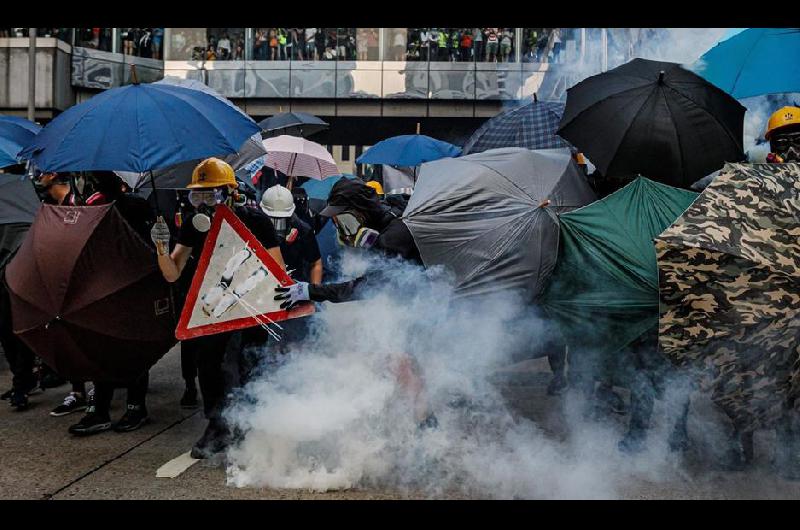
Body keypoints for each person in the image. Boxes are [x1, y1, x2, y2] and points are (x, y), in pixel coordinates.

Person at [150, 158, 286, 459]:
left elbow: (277, 268)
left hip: (251, 307)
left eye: (212, 195)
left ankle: (252, 423)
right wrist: (160, 247)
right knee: (208, 365)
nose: (204, 203)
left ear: (231, 193)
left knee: (247, 364)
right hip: (213, 308)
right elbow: (173, 272)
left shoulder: (256, 220)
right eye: (198, 195)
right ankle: (217, 424)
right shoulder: (193, 226)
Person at [67, 173, 156, 436]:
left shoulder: (132, 206)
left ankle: (134, 406)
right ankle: (102, 410)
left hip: (133, 285)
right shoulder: (94, 207)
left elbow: (149, 242)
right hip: (103, 287)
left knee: (133, 348)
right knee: (102, 347)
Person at [30, 170, 93, 416]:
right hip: (56, 282)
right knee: (65, 337)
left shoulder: (79, 204)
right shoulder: (48, 208)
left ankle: (97, 389)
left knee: (87, 338)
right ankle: (77, 390)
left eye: (45, 176)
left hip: (80, 282)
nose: (40, 179)